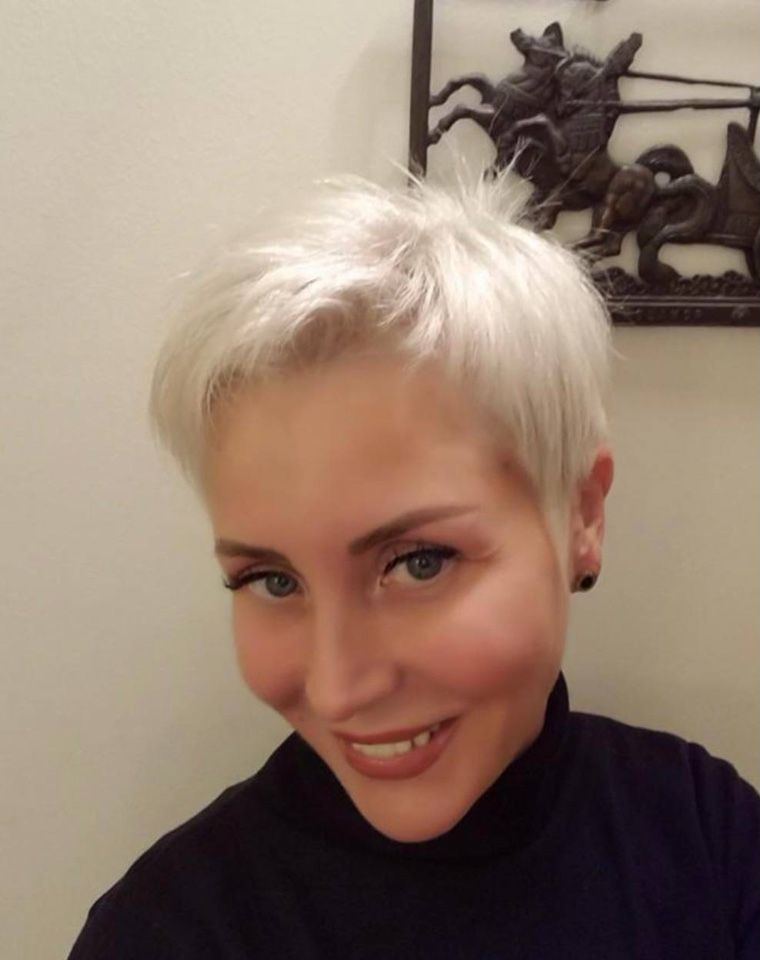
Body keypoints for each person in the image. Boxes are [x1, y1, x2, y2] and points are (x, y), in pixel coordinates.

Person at [68, 173, 759, 958]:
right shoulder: (168, 931)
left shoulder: (705, 835)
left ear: (582, 517)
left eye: (419, 562)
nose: (337, 688)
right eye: (272, 580)